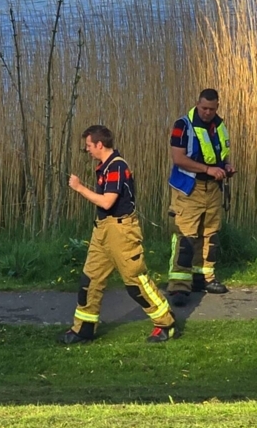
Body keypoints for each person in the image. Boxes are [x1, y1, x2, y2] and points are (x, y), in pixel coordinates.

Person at [59, 125, 182, 344]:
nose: (86, 149)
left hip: (121, 232)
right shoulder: (104, 167)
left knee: (136, 282)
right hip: (103, 230)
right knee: (90, 280)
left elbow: (108, 201)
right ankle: (84, 329)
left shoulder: (116, 166)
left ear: (99, 144)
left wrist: (79, 188)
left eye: (88, 145)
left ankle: (167, 323)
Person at [166, 88, 235, 306]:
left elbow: (218, 153)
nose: (207, 112)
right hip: (189, 188)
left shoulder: (218, 125)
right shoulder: (182, 125)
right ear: (198, 104)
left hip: (213, 188)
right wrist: (208, 169)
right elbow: (178, 158)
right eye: (204, 108)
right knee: (186, 237)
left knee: (210, 235)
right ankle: (179, 286)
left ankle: (204, 278)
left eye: (212, 109)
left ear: (217, 107)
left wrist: (226, 166)